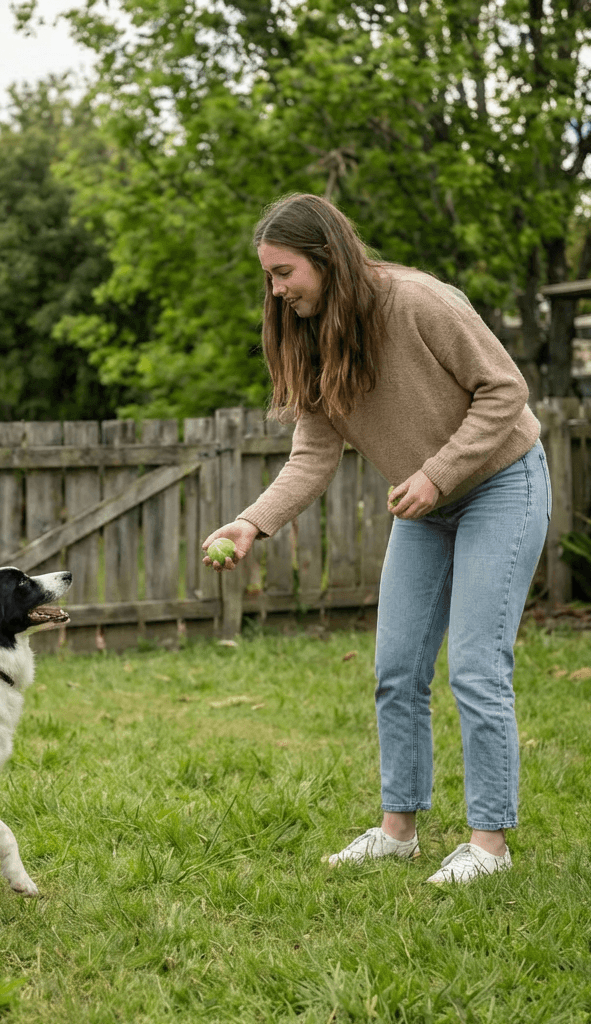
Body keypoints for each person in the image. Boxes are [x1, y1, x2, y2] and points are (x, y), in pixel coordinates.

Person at [202, 193, 549, 884]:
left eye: (284, 272)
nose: (275, 290)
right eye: (269, 276)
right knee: (397, 671)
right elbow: (313, 455)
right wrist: (252, 521)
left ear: (327, 258)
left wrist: (437, 471)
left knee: (476, 668)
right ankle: (399, 830)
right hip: (424, 506)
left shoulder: (419, 302)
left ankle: (489, 846)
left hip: (502, 485)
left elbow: (505, 389)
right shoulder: (310, 333)